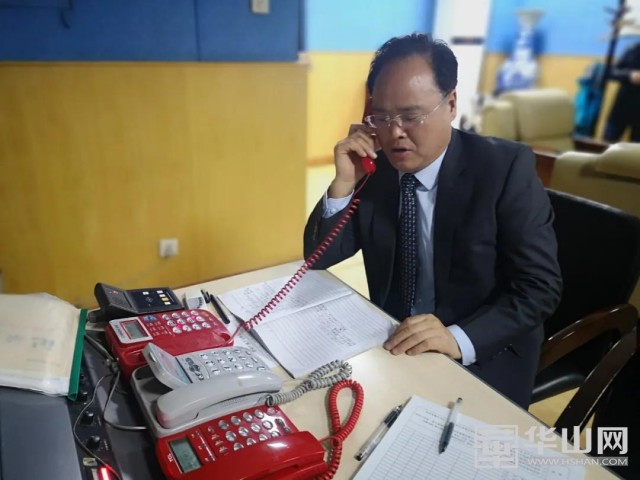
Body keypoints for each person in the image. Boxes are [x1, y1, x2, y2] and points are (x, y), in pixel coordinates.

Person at [303, 33, 562, 409]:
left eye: (411, 116)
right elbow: (317, 259)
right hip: (394, 340)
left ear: (451, 103)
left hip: (481, 347)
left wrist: (457, 338)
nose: (395, 134)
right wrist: (345, 182)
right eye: (382, 117)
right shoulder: (378, 171)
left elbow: (540, 287)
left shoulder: (504, 169)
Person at [604, 41, 640, 142]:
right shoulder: (633, 49)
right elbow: (611, 72)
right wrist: (629, 75)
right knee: (607, 144)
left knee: (635, 153)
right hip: (622, 107)